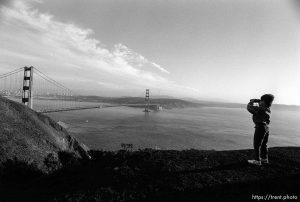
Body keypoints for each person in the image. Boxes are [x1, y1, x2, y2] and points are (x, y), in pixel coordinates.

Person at [247, 94, 275, 166]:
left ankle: (257, 160)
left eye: (261, 100)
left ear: (264, 101)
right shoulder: (267, 108)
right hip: (266, 128)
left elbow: (249, 106)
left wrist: (255, 101)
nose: (260, 101)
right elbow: (258, 105)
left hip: (260, 127)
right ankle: (264, 158)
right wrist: (259, 101)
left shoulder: (260, 109)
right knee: (264, 144)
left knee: (257, 144)